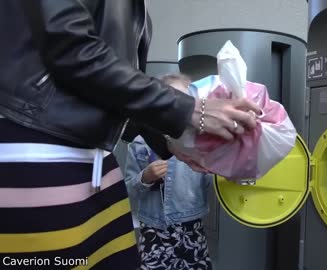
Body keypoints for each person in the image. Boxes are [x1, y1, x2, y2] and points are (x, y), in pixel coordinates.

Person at [0, 1, 260, 269]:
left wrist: (169, 142)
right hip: (41, 152)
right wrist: (189, 109)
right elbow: (70, 47)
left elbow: (113, 87)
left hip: (97, 161)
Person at [126, 74, 213, 270]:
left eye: (185, 101)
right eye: (172, 101)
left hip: (191, 228)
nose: (178, 110)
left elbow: (211, 181)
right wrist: (145, 177)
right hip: (153, 231)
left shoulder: (199, 146)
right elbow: (129, 189)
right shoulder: (140, 143)